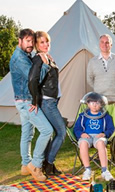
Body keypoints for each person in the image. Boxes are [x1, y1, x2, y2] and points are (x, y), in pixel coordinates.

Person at [9, 29, 53, 181]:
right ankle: (35, 164)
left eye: (32, 42)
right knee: (47, 130)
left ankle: (25, 165)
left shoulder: (24, 55)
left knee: (27, 134)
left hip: (21, 100)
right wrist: (46, 64)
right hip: (26, 101)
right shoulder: (20, 58)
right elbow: (33, 79)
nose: (30, 44)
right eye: (27, 41)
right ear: (20, 40)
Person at [28, 31, 66, 176]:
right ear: (37, 45)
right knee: (61, 132)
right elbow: (32, 80)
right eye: (42, 42)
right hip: (47, 102)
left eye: (47, 42)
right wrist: (35, 100)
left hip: (52, 101)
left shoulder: (47, 57)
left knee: (51, 133)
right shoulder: (39, 59)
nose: (45, 45)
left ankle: (47, 164)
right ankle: (48, 163)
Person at [87, 34, 115, 163]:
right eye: (102, 42)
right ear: (99, 45)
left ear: (111, 44)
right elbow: (90, 79)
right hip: (99, 101)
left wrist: (114, 88)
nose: (105, 45)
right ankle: (101, 154)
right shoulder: (92, 62)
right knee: (100, 128)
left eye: (107, 42)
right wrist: (100, 92)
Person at [73, 92, 115, 181]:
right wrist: (81, 134)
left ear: (101, 104)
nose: (95, 105)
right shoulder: (83, 116)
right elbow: (76, 128)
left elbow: (111, 128)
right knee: (83, 143)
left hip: (99, 136)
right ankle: (87, 169)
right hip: (86, 136)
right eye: (92, 103)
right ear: (88, 104)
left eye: (97, 103)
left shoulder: (106, 116)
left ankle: (105, 170)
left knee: (100, 143)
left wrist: (104, 134)